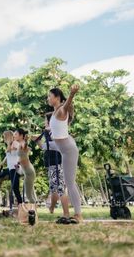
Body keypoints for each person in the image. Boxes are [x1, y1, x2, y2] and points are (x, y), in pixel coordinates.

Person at [48, 85, 82, 223]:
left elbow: (67, 105)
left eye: (49, 96)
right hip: (63, 148)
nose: (48, 99)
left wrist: (72, 94)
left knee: (70, 183)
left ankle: (78, 214)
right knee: (69, 182)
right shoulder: (55, 113)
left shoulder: (61, 111)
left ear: (57, 98)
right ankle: (74, 213)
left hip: (68, 150)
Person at [34, 114, 70, 222]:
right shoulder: (50, 132)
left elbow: (56, 146)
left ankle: (66, 214)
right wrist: (37, 141)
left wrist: (48, 132)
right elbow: (45, 147)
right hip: (52, 164)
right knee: (54, 189)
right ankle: (52, 208)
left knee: (60, 189)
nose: (44, 123)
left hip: (57, 163)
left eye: (45, 121)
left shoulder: (54, 131)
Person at [0, 130, 22, 209]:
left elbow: (18, 150)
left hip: (15, 167)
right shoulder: (10, 144)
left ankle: (20, 204)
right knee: (13, 186)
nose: (4, 139)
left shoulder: (15, 143)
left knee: (15, 187)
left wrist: (10, 145)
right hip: (10, 168)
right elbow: (7, 154)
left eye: (5, 137)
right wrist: (2, 162)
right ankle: (20, 204)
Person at [14, 128, 36, 204]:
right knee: (30, 193)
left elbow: (24, 147)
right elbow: (23, 155)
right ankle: (34, 208)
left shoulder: (22, 143)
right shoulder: (20, 144)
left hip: (29, 171)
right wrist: (18, 163)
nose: (14, 136)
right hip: (27, 170)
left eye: (16, 134)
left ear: (21, 136)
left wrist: (26, 142)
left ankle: (33, 208)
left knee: (28, 195)